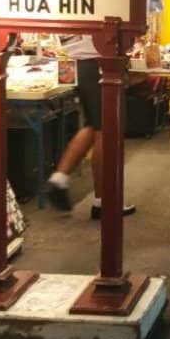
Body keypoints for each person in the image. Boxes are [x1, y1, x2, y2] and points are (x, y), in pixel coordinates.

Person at [46, 35, 136, 220]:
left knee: (94, 125)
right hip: (98, 63)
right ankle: (104, 201)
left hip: (77, 63)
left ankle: (60, 179)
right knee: (107, 129)